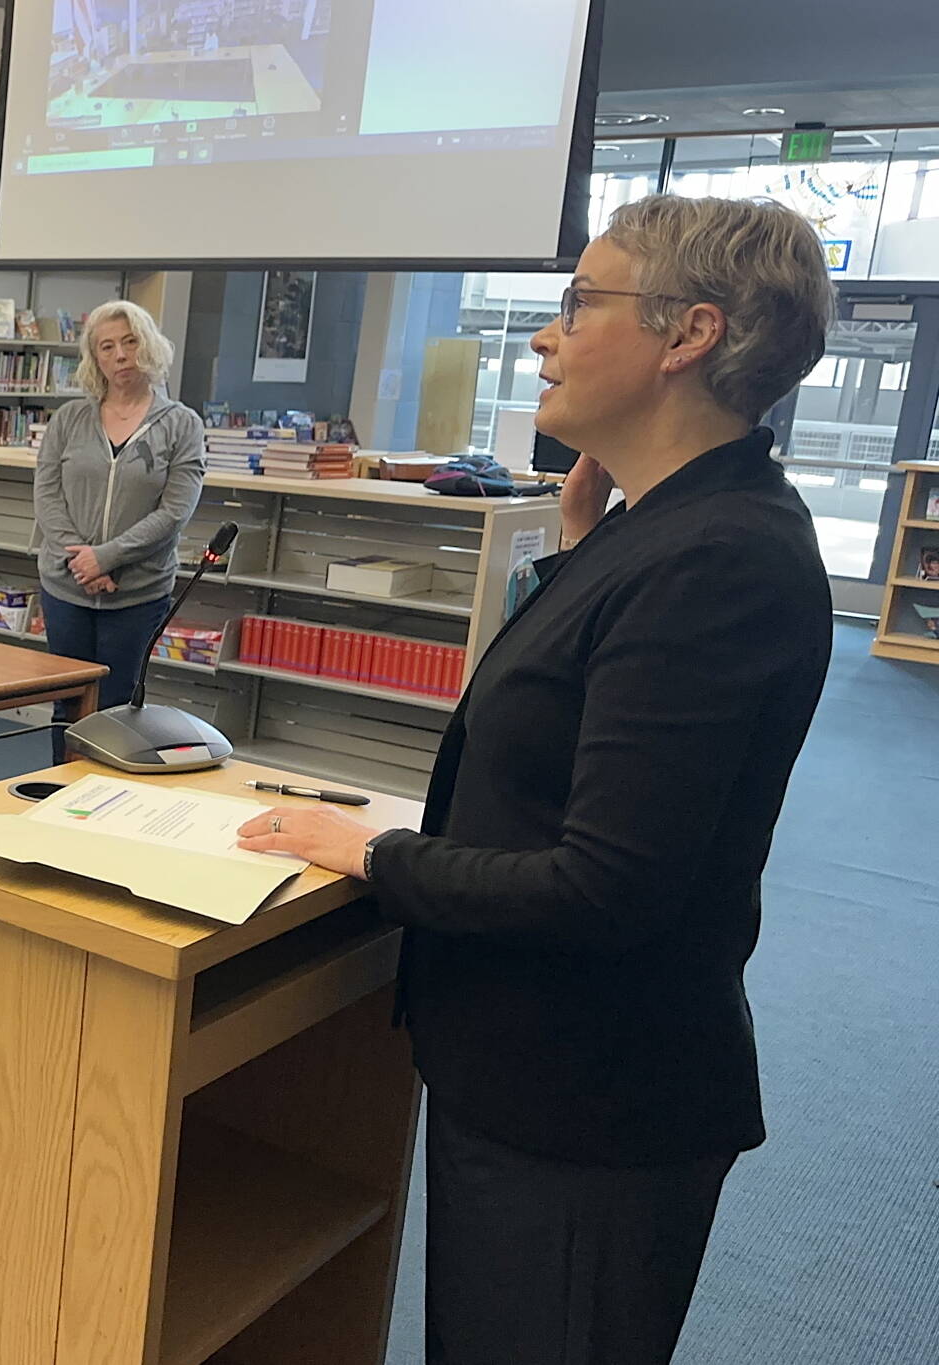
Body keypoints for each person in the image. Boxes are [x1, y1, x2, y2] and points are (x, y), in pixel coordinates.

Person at [233, 195, 836, 1365]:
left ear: (687, 334)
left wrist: (371, 856)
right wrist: (577, 553)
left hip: (591, 1100)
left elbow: (604, 887)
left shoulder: (716, 561)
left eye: (577, 304)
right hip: (532, 1070)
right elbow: (569, 729)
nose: (541, 338)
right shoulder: (653, 527)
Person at [33, 298, 205, 761]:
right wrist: (82, 560)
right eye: (106, 347)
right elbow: (47, 495)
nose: (120, 356)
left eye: (129, 342)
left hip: (137, 592)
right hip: (65, 587)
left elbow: (174, 512)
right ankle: (59, 795)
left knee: (116, 707)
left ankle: (106, 803)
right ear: (95, 358)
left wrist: (107, 558)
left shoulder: (182, 424)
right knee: (67, 704)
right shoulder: (69, 419)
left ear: (148, 346)